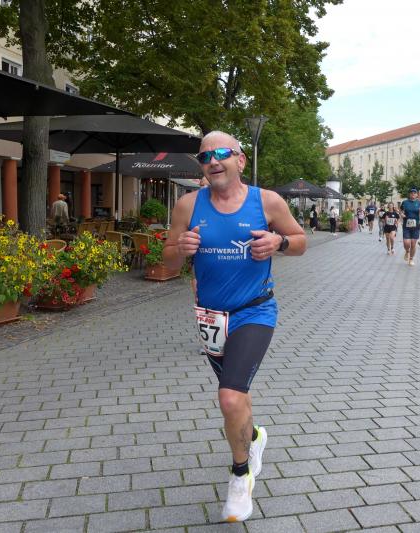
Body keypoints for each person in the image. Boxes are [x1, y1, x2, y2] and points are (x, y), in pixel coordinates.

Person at [163, 131, 306, 522]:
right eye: (204, 156)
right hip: (211, 318)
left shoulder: (267, 201)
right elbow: (168, 259)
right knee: (237, 395)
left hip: (254, 311)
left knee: (229, 396)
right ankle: (254, 437)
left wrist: (278, 244)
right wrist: (180, 250)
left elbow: (300, 240)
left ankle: (241, 475)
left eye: (222, 153)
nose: (213, 160)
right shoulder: (188, 205)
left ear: (240, 160)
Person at [400, 188, 420, 266]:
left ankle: (411, 259)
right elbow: (401, 211)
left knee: (413, 244)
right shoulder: (405, 202)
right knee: (406, 242)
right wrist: (402, 214)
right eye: (411, 193)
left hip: (416, 225)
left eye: (414, 193)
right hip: (406, 225)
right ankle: (407, 251)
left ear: (417, 194)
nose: (413, 194)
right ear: (409, 194)